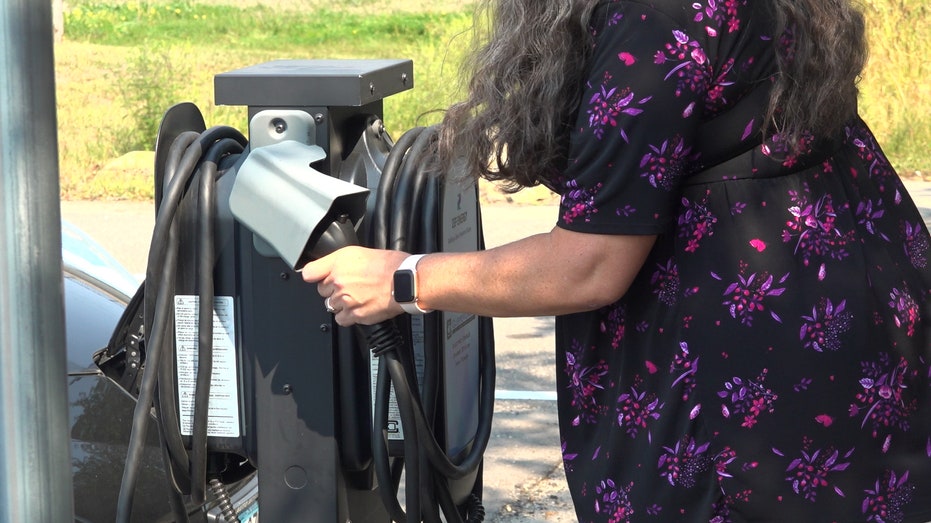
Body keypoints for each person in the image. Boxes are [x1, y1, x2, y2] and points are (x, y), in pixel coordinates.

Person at [302, 0, 931, 520]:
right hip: (849, 305)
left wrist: (402, 278)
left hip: (737, 369)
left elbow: (590, 263)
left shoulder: (654, 16)